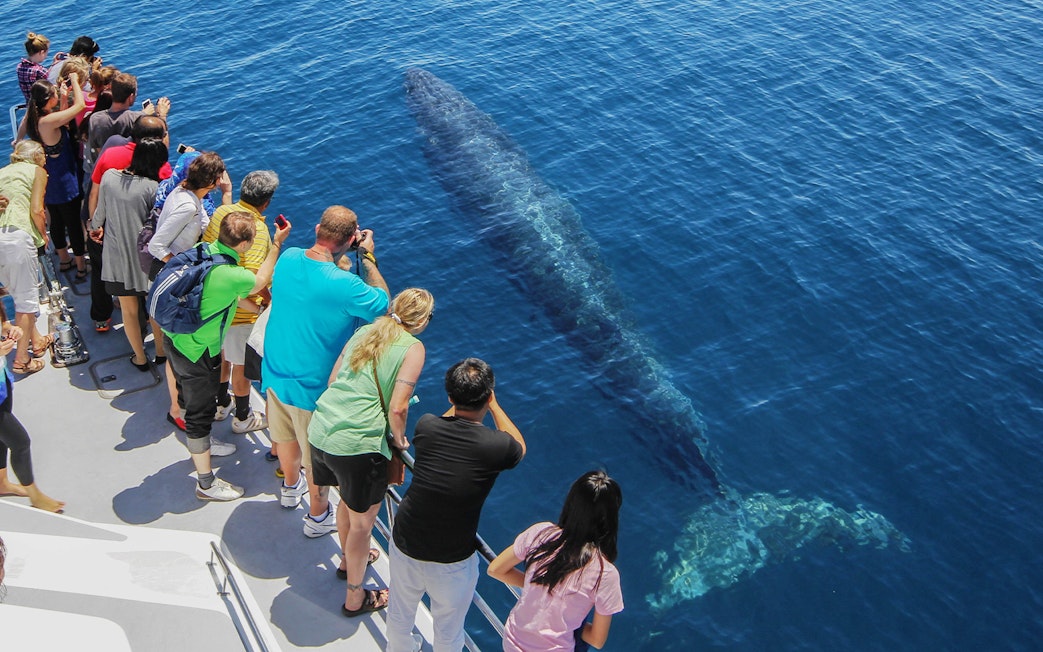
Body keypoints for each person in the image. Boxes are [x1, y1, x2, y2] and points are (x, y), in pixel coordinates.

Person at [262, 205, 389, 534]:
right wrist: (369, 257)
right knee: (313, 459)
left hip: (275, 372)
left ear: (318, 228)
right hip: (312, 388)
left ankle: (290, 490)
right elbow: (383, 305)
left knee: (285, 440)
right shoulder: (345, 285)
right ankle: (317, 517)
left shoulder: (288, 257)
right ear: (350, 239)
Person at [307, 288, 434, 617]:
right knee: (363, 526)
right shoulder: (413, 348)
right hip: (357, 445)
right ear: (420, 320)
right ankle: (354, 598)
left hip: (322, 430)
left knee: (346, 505)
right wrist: (401, 441)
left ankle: (348, 561)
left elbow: (334, 378)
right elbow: (398, 408)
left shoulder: (366, 330)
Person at [386, 358, 526, 651]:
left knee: (400, 613)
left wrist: (464, 400)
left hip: (405, 539)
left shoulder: (426, 427)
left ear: (450, 398)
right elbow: (519, 446)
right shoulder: (495, 446)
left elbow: (448, 420)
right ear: (488, 396)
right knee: (448, 632)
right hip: (451, 559)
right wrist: (494, 406)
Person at [162, 212, 290, 501]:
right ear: (243, 245)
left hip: (174, 338)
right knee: (197, 415)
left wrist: (257, 312)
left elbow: (232, 297)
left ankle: (205, 440)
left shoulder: (202, 252)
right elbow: (258, 283)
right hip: (198, 351)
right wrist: (276, 245)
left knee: (193, 404)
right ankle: (205, 484)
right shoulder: (233, 274)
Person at [488, 471, 624, 652]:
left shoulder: (541, 533)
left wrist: (537, 585)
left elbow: (496, 569)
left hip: (512, 641)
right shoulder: (605, 574)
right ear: (610, 519)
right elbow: (596, 640)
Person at [200, 171, 280, 433]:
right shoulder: (257, 231)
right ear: (266, 202)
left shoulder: (223, 214)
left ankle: (222, 404)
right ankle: (242, 418)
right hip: (240, 316)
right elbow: (255, 281)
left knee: (223, 358)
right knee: (242, 370)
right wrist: (266, 304)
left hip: (214, 306)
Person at [90, 138, 167, 370]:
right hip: (146, 260)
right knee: (152, 308)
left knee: (129, 311)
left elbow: (98, 218)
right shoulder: (152, 188)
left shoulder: (109, 177)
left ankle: (140, 358)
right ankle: (161, 353)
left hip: (117, 258)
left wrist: (96, 228)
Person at [0, 299, 65, 512]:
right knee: (20, 442)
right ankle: (35, 496)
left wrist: (11, 330)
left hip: (2, 381)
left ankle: (1, 482)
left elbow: (4, 326)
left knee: (2, 438)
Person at [25, 76, 87, 279]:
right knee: (74, 224)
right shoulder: (48, 121)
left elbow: (63, 119)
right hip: (65, 183)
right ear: (47, 99)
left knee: (57, 222)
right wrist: (76, 82)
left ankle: (64, 260)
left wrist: (62, 96)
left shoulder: (36, 120)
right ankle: (80, 267)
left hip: (49, 181)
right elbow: (80, 105)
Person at [0, 140, 50, 375]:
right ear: (37, 156)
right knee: (26, 303)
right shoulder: (37, 171)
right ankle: (21, 361)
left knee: (18, 292)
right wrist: (42, 235)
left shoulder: (3, 172)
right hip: (16, 240)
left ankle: (37, 341)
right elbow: (37, 210)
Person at [85, 72, 169, 178]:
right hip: (126, 175)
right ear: (131, 97)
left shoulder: (95, 118)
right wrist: (162, 116)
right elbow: (161, 150)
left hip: (100, 172)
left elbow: (97, 147)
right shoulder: (137, 119)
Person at [16, 32, 50, 102]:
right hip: (43, 108)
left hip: (29, 106)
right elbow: (52, 81)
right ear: (42, 52)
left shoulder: (19, 67)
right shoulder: (39, 71)